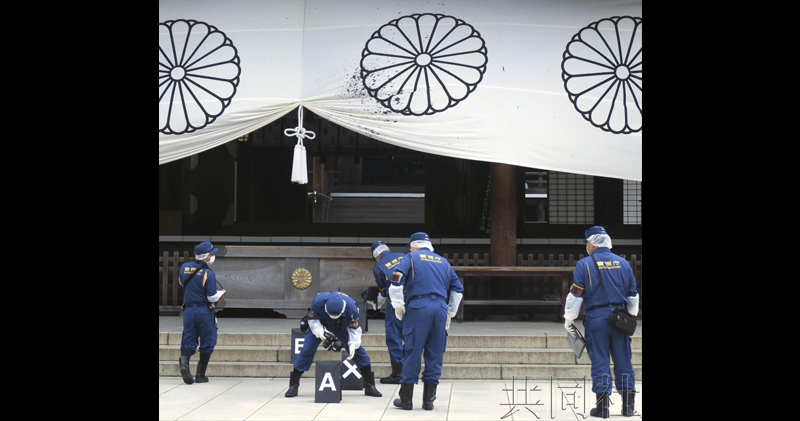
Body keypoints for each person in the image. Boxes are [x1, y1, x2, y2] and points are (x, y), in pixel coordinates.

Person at [563, 226, 639, 418]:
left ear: (591, 243)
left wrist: (569, 319)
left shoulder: (584, 265)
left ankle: (603, 408)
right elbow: (633, 296)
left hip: (596, 319)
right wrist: (629, 317)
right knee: (623, 360)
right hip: (620, 319)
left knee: (600, 360)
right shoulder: (623, 263)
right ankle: (628, 407)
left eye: (586, 243)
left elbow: (576, 296)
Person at [388, 232, 464, 410]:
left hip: (419, 307)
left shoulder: (410, 258)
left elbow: (396, 281)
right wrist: (450, 312)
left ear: (413, 245)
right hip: (440, 308)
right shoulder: (443, 262)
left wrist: (398, 304)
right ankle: (428, 401)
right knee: (435, 353)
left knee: (412, 351)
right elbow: (458, 289)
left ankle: (406, 399)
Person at [285, 291, 382, 398]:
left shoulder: (352, 308)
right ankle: (293, 385)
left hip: (342, 326)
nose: (333, 316)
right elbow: (312, 320)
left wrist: (353, 343)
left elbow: (354, 328)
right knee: (307, 350)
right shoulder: (318, 301)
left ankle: (369, 385)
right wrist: (320, 332)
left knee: (359, 352)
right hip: (321, 325)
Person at [178, 241, 226, 385]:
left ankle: (184, 363)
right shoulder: (208, 273)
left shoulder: (184, 267)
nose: (213, 256)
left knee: (188, 338)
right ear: (204, 256)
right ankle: (200, 375)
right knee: (208, 340)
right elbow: (211, 297)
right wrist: (220, 297)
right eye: (211, 254)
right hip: (204, 311)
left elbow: (181, 283)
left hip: (188, 310)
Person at [370, 240, 405, 384]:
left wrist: (376, 303)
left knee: (393, 336)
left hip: (395, 303)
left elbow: (383, 291)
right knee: (412, 334)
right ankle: (409, 368)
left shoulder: (379, 267)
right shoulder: (404, 256)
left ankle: (398, 374)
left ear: (376, 256)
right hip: (414, 301)